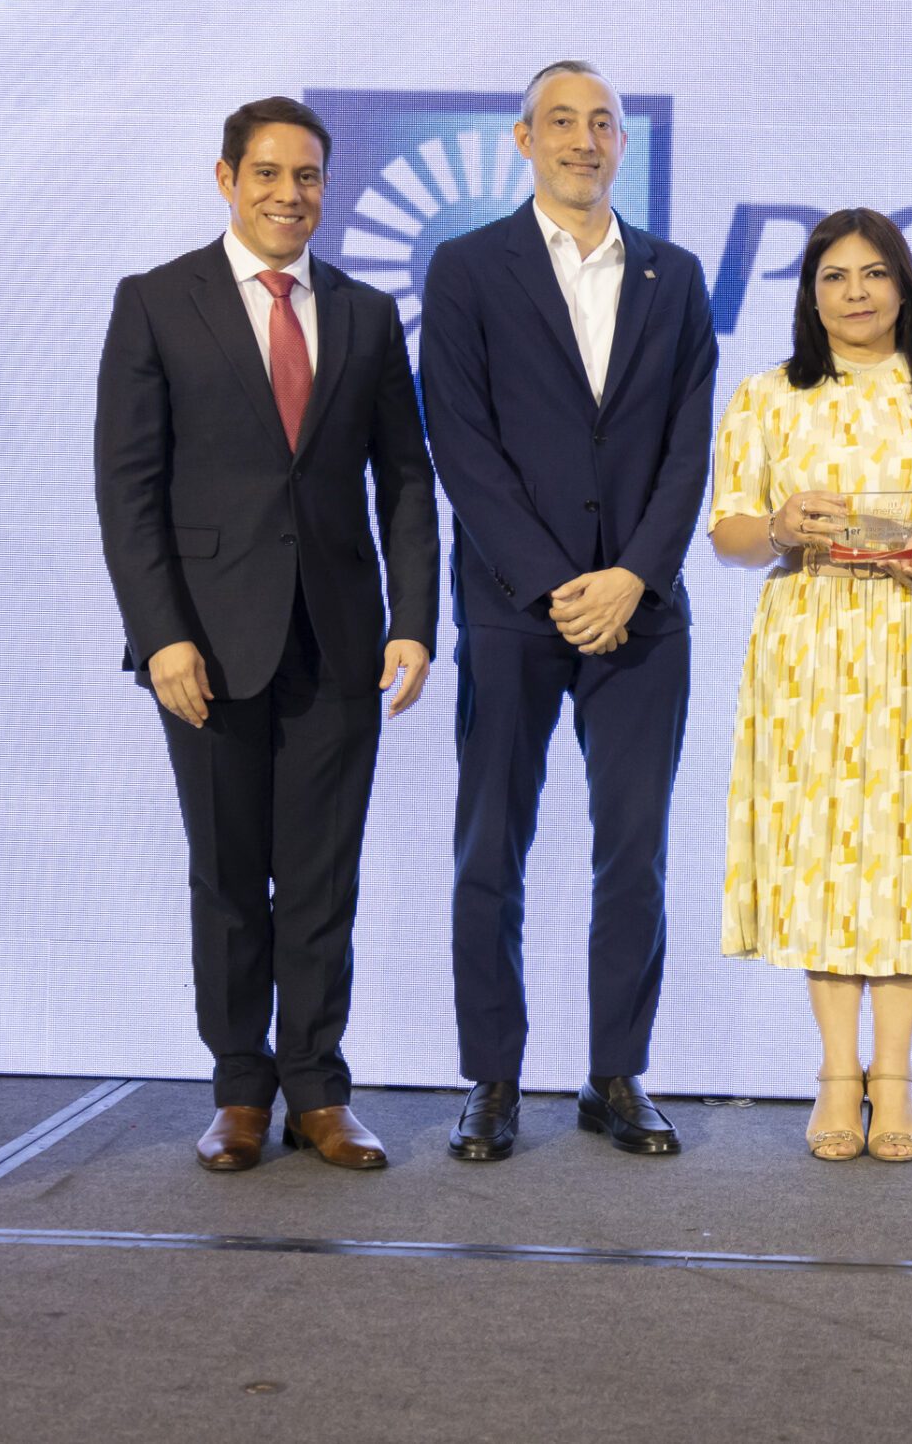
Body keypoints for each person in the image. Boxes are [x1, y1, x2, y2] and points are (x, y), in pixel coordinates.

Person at [96, 96, 440, 1173]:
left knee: (323, 880)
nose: (290, 195)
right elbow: (127, 489)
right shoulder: (157, 301)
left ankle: (319, 1091)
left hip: (340, 641)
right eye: (268, 174)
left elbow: (406, 480)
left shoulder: (367, 313)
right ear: (226, 179)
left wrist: (413, 622)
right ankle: (240, 1090)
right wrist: (161, 636)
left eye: (308, 177)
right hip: (205, 647)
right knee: (229, 878)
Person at [419, 61, 718, 1161]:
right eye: (562, 121)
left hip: (643, 615)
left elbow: (689, 445)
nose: (584, 140)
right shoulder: (466, 269)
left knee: (632, 855)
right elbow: (461, 443)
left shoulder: (675, 276)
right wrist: (555, 583)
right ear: (524, 139)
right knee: (489, 848)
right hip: (512, 608)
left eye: (602, 123)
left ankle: (614, 1076)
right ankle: (492, 1081)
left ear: (621, 145)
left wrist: (634, 576)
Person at [708, 209, 912, 1163]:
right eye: (834, 276)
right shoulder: (767, 397)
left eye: (875, 273)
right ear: (809, 294)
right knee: (823, 855)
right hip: (810, 644)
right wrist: (781, 525)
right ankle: (838, 1075)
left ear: (905, 285)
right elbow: (727, 535)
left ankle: (898, 1076)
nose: (856, 293)